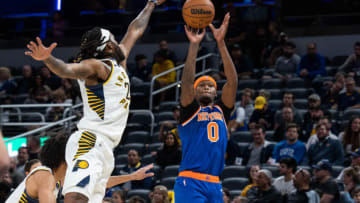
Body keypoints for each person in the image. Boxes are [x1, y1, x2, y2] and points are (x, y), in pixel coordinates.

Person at [24, 0, 166, 201]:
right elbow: (66, 70)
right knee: (76, 198)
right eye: (115, 40)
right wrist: (48, 59)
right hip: (90, 141)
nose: (119, 42)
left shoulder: (117, 61)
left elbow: (135, 30)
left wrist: (150, 4)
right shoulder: (96, 66)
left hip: (106, 147)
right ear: (108, 46)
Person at [174, 13, 238, 203]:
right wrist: (194, 45)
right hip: (190, 180)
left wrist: (221, 43)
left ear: (215, 93)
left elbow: (233, 81)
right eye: (201, 85)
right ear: (194, 93)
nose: (206, 87)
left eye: (210, 85)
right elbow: (186, 83)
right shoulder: (189, 111)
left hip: (215, 183)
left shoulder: (221, 111)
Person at [6, 133, 155, 203]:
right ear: (67, 157)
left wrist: (131, 177)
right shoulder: (44, 175)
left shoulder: (57, 179)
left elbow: (98, 183)